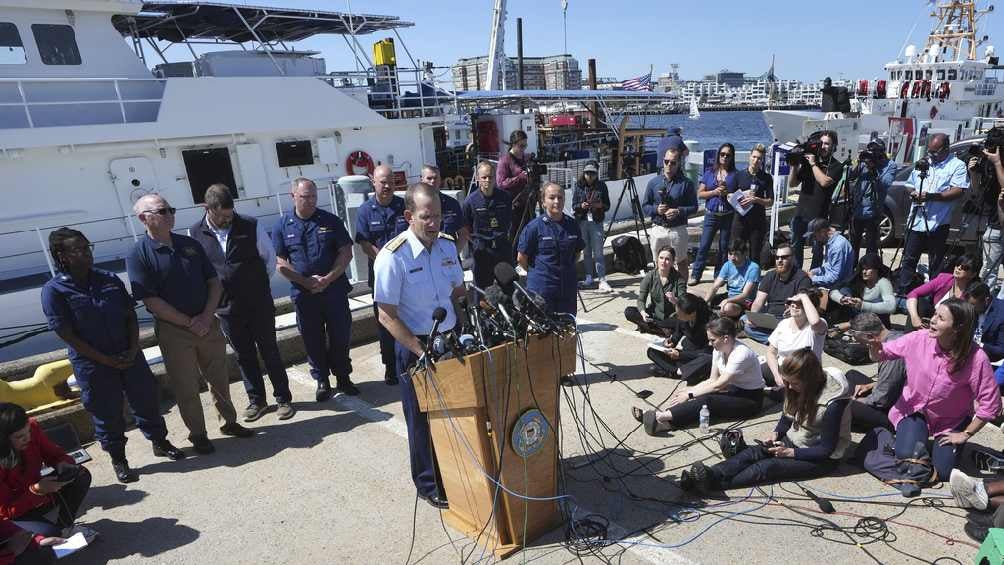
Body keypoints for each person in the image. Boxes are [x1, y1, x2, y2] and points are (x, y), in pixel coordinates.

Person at [41, 228, 185, 483]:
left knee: (146, 400)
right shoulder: (54, 291)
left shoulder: (108, 279)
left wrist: (132, 349)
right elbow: (66, 333)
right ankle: (120, 459)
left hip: (128, 355)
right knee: (106, 413)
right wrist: (104, 359)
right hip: (93, 364)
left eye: (87, 247)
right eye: (77, 250)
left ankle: (160, 442)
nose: (86, 254)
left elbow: (130, 316)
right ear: (61, 255)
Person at [126, 194, 252, 455]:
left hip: (207, 323)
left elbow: (213, 282)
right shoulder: (138, 254)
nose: (170, 213)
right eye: (163, 210)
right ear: (143, 218)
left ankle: (228, 422)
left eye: (170, 208)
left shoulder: (189, 244)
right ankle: (198, 434)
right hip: (175, 331)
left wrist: (206, 317)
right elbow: (150, 300)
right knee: (186, 385)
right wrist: (189, 323)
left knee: (219, 377)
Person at [374, 182, 466, 510]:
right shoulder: (392, 257)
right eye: (426, 216)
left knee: (457, 411)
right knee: (421, 418)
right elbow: (386, 316)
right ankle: (428, 484)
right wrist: (418, 350)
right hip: (416, 346)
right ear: (409, 216)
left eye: (438, 216)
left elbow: (458, 293)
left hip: (452, 340)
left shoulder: (446, 247)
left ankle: (456, 472)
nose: (434, 223)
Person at [862, 298, 1001, 482]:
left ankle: (925, 445)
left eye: (941, 318)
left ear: (957, 328)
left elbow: (991, 404)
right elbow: (882, 354)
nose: (933, 320)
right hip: (914, 411)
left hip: (950, 422)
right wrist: (874, 347)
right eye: (935, 314)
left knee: (943, 473)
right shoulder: (919, 338)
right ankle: (894, 437)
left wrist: (966, 434)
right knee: (906, 455)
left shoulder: (976, 358)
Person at [191, 184, 295, 422]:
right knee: (243, 355)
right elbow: (202, 270)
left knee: (269, 350)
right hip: (227, 309)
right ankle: (257, 400)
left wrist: (252, 286)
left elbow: (268, 260)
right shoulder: (195, 233)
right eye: (223, 216)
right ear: (207, 209)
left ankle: (283, 398)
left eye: (231, 214)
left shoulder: (250, 224)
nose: (229, 219)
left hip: (258, 303)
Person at [680, 350, 852, 492]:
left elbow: (826, 450)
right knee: (753, 453)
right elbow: (786, 417)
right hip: (795, 440)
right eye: (787, 382)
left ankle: (710, 486)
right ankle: (708, 475)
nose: (790, 387)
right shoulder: (796, 388)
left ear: (810, 380)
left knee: (767, 467)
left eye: (794, 383)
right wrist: (776, 433)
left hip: (821, 458)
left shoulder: (834, 404)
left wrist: (790, 453)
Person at [276, 178, 357, 401]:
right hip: (304, 295)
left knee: (340, 335)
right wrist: (304, 282)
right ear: (293, 196)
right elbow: (280, 262)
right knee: (313, 339)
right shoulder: (282, 225)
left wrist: (328, 278)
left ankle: (343, 377)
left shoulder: (330, 221)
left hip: (334, 291)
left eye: (313, 196)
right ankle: (322, 381)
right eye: (305, 197)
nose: (310, 200)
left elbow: (346, 252)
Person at [634, 317, 765, 435]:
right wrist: (692, 390)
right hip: (734, 390)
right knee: (700, 400)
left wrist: (690, 394)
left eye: (712, 340)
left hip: (750, 400)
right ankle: (665, 424)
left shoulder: (741, 354)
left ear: (725, 338)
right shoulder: (718, 350)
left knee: (706, 401)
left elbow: (718, 385)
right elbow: (712, 379)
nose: (709, 344)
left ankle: (659, 416)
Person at [0, 404, 92, 537]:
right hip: (14, 511)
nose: (28, 438)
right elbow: (5, 511)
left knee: (80, 475)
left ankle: (65, 525)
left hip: (39, 492)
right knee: (49, 534)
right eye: (20, 436)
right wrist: (36, 490)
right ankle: (50, 530)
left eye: (29, 432)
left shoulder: (31, 427)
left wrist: (61, 463)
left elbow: (54, 454)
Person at [355, 165, 409, 386]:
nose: (387, 186)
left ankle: (409, 360)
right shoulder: (365, 211)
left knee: (409, 319)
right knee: (386, 323)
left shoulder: (404, 206)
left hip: (407, 275)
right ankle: (390, 367)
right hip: (381, 278)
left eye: (390, 182)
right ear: (373, 183)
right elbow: (364, 243)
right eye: (382, 182)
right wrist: (385, 261)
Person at [898, 133, 969, 292]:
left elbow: (958, 190)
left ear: (946, 148)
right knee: (909, 259)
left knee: (935, 262)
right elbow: (909, 184)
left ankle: (932, 296)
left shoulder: (956, 165)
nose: (931, 155)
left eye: (935, 152)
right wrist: (913, 193)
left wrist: (931, 197)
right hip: (916, 221)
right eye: (929, 152)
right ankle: (903, 293)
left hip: (938, 223)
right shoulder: (924, 163)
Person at [517, 182, 584, 316]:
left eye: (560, 197)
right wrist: (539, 274)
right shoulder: (534, 227)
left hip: (567, 289)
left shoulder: (572, 225)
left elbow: (577, 253)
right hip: (542, 289)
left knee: (568, 328)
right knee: (542, 332)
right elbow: (521, 258)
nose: (556, 201)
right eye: (552, 197)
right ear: (543, 202)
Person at [788, 130, 843, 269]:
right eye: (821, 143)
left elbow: (824, 182)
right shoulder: (810, 162)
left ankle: (814, 278)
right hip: (800, 213)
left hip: (818, 216)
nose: (823, 146)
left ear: (834, 146)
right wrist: (794, 165)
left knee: (817, 250)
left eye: (827, 144)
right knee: (796, 246)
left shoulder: (836, 166)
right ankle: (797, 274)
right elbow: (792, 183)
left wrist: (813, 164)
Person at [642, 143, 697, 275]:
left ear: (679, 163)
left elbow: (694, 207)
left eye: (673, 163)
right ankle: (660, 291)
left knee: (682, 262)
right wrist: (656, 210)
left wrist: (678, 211)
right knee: (658, 264)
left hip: (677, 230)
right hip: (658, 229)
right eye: (666, 162)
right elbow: (645, 206)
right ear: (663, 161)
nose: (669, 165)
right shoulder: (653, 182)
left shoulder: (686, 184)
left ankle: (682, 293)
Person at [846, 313, 905, 432]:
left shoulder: (891, 353)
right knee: (851, 375)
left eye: (862, 342)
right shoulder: (897, 335)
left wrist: (856, 401)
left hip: (899, 412)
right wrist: (872, 385)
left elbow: (882, 399)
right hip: (897, 392)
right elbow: (898, 379)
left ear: (870, 336)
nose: (862, 345)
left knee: (846, 406)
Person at [743, 242, 812, 344]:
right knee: (745, 320)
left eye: (784, 257)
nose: (779, 260)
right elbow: (758, 301)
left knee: (798, 327)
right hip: (771, 317)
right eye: (777, 257)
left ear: (792, 258)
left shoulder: (802, 278)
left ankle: (775, 340)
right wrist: (753, 316)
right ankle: (781, 341)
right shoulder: (770, 275)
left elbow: (802, 300)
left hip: (789, 319)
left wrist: (793, 308)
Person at [690, 143, 738, 285]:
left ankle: (719, 275)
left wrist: (728, 193)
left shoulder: (735, 175)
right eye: (722, 154)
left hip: (727, 216)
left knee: (723, 248)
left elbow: (739, 196)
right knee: (704, 245)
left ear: (732, 157)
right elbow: (700, 194)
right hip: (711, 215)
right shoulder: (710, 172)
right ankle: (696, 274)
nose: (724, 157)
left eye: (728, 155)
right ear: (718, 156)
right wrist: (714, 192)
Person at [463, 161, 512, 289]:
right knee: (483, 291)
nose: (487, 180)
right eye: (484, 177)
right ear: (478, 178)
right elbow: (465, 228)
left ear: (495, 177)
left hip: (502, 249)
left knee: (508, 287)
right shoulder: (470, 201)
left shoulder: (505, 198)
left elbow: (509, 220)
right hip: (483, 252)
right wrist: (476, 243)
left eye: (490, 177)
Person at [644, 293, 712, 382]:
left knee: (702, 364)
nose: (677, 316)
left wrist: (681, 355)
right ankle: (679, 371)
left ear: (692, 313)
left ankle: (673, 372)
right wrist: (672, 341)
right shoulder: (683, 316)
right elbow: (679, 330)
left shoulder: (710, 322)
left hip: (698, 356)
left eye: (680, 314)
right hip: (685, 353)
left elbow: (709, 352)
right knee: (652, 351)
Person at [848, 140, 897, 266]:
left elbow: (885, 184)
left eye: (875, 153)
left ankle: (869, 271)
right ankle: (852, 270)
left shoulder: (890, 165)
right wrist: (858, 162)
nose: (872, 156)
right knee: (853, 244)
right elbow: (851, 177)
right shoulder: (865, 162)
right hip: (858, 209)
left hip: (874, 211)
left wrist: (874, 169)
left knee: (871, 246)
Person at [766, 291, 827, 389]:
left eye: (800, 303)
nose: (794, 305)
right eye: (792, 302)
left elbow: (815, 322)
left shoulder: (817, 326)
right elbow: (771, 352)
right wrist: (777, 375)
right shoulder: (783, 324)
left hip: (804, 374)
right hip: (782, 370)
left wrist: (803, 296)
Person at [905, 253, 980, 330]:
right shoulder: (944, 279)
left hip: (953, 328)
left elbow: (969, 319)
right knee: (920, 303)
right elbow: (913, 293)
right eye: (958, 264)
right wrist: (915, 318)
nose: (959, 268)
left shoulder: (974, 292)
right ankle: (908, 338)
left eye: (965, 268)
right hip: (932, 319)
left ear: (973, 274)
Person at [624, 246, 686, 335]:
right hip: (654, 315)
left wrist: (675, 300)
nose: (663, 262)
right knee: (629, 312)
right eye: (661, 258)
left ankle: (652, 327)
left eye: (667, 259)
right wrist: (643, 312)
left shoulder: (679, 279)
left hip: (671, 317)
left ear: (672, 262)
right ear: (657, 259)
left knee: (682, 322)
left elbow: (684, 302)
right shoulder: (650, 276)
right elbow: (641, 299)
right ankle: (661, 329)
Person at [571, 160, 612, 292]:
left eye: (593, 173)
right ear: (584, 173)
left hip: (596, 221)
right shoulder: (578, 186)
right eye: (588, 173)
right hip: (582, 221)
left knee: (599, 251)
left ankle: (602, 279)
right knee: (586, 251)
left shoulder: (602, 186)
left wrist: (600, 206)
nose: (590, 176)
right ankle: (589, 277)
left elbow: (607, 205)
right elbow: (574, 206)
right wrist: (581, 206)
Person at [731, 143, 774, 267]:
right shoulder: (739, 175)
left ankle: (753, 280)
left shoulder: (766, 178)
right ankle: (737, 277)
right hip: (740, 220)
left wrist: (756, 200)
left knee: (755, 253)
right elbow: (729, 195)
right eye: (754, 157)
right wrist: (742, 196)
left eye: (759, 158)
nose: (756, 160)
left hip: (757, 221)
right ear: (750, 157)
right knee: (737, 250)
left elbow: (770, 201)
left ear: (762, 160)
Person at [827, 253, 896, 328]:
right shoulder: (858, 279)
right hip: (858, 317)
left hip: (877, 323)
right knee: (844, 290)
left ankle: (850, 324)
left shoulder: (883, 282)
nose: (864, 272)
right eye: (863, 269)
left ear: (877, 269)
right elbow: (833, 290)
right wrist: (842, 299)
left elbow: (891, 306)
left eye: (868, 269)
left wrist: (863, 305)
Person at [970, 146, 1004, 291]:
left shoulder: (997, 165)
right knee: (989, 270)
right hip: (993, 225)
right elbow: (977, 193)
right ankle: (984, 304)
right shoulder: (989, 167)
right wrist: (973, 174)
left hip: (998, 226)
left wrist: (997, 163)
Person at [704, 240, 759, 320]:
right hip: (730, 296)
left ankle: (735, 318)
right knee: (699, 299)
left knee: (727, 307)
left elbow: (745, 295)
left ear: (745, 254)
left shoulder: (753, 268)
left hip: (745, 302)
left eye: (736, 254)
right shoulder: (728, 265)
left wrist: (727, 300)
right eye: (730, 254)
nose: (732, 258)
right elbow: (715, 287)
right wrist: (704, 303)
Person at [420, 164, 470, 254]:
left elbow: (463, 234)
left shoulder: (452, 204)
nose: (432, 181)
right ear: (422, 179)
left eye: (435, 178)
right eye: (429, 178)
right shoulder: (416, 205)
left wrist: (453, 254)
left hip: (449, 262)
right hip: (426, 259)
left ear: (440, 180)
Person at [496, 130, 532, 244]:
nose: (523, 149)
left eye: (525, 146)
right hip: (512, 205)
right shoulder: (505, 160)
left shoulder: (524, 159)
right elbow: (501, 183)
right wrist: (519, 178)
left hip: (526, 203)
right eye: (521, 146)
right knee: (514, 235)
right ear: (513, 144)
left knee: (529, 233)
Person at [805, 219, 854, 289]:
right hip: (831, 283)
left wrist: (813, 278)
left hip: (838, 287)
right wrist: (814, 272)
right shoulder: (830, 242)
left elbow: (835, 277)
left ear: (823, 232)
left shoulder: (838, 247)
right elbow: (829, 266)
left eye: (814, 236)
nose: (814, 239)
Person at [963, 282, 1004, 363]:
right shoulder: (971, 308)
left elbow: (1001, 350)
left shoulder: (1001, 314)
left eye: (973, 305)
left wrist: (978, 345)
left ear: (986, 300)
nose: (969, 309)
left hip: (992, 360)